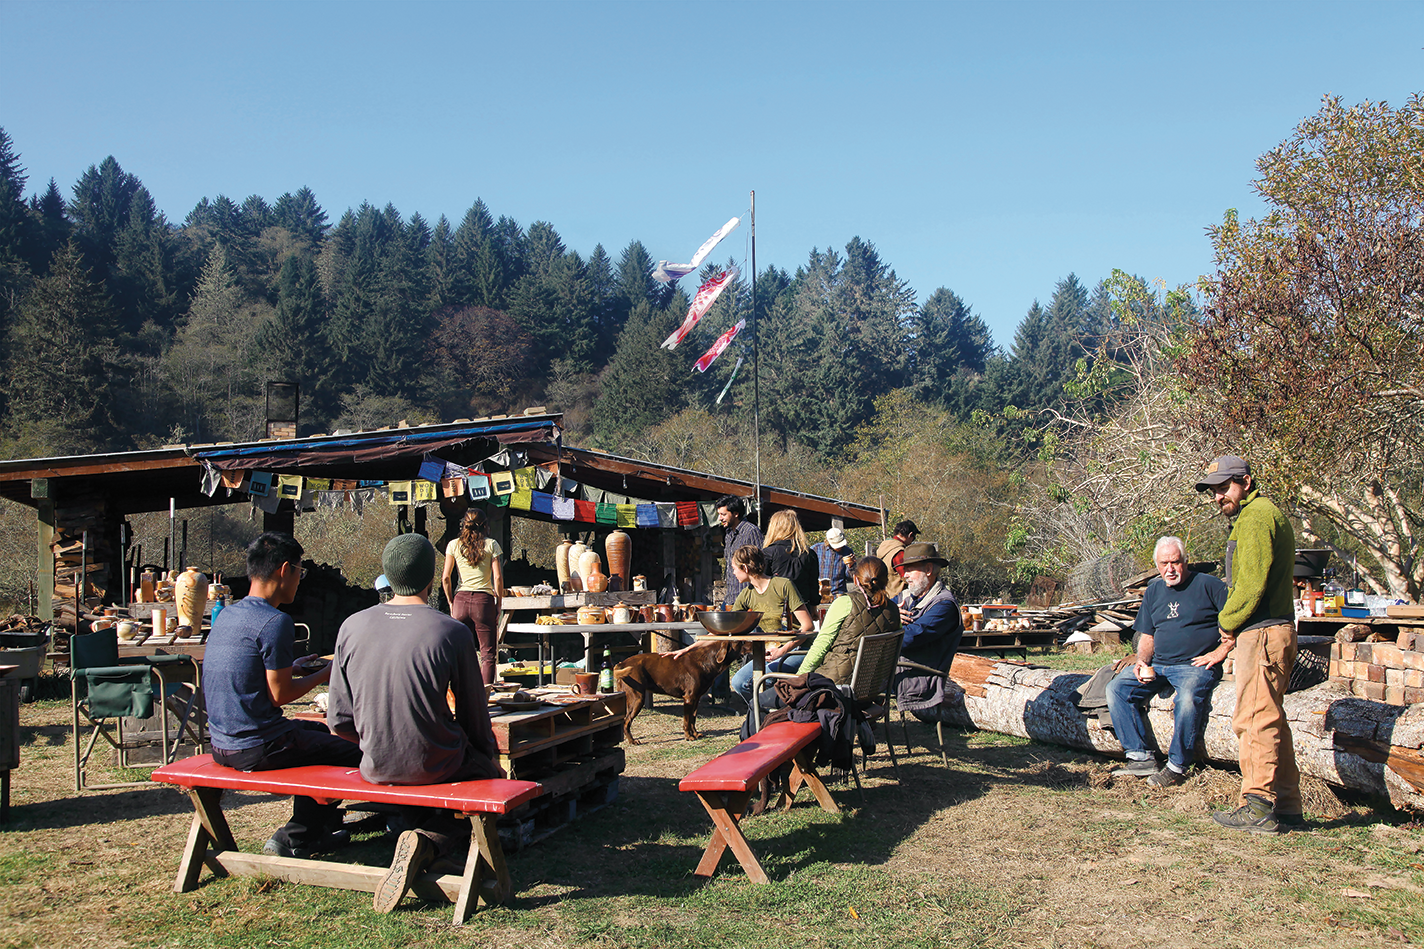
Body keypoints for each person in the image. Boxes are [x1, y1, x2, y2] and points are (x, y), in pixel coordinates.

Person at [327, 533, 503, 913]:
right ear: (431, 578)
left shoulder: (350, 627)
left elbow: (339, 721)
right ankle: (428, 841)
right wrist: (491, 762)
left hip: (374, 765)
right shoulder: (451, 631)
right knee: (494, 786)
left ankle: (416, 840)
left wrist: (378, 741)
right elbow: (475, 718)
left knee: (420, 762)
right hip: (434, 761)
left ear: (387, 577)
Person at [202, 532, 361, 858]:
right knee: (352, 748)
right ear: (284, 570)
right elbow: (279, 694)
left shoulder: (228, 615)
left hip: (221, 742)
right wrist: (327, 673)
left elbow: (248, 669)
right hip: (258, 746)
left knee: (319, 733)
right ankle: (297, 836)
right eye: (300, 573)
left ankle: (318, 828)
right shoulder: (275, 621)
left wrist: (293, 666)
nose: (300, 581)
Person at [1195, 454, 1302, 833]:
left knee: (1254, 719)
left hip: (1263, 632)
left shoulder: (1256, 517)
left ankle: (1257, 805)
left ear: (1247, 481)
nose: (1218, 496)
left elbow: (1251, 584)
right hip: (1269, 630)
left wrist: (1227, 622)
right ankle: (1287, 805)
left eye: (1225, 488)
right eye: (1214, 491)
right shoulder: (1257, 514)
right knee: (1272, 718)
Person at [1106, 536, 1229, 788]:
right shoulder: (1154, 591)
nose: (1170, 569)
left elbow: (1235, 625)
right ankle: (1140, 757)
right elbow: (1148, 634)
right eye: (1164, 563)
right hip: (1159, 664)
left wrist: (1220, 652)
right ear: (1157, 565)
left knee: (1185, 700)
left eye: (1175, 562)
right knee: (1116, 688)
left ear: (1186, 561)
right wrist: (1141, 661)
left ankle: (1177, 766)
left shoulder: (1210, 585)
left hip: (1193, 666)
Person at [722, 545, 815, 703]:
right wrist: (688, 649)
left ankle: (770, 714)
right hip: (769, 654)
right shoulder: (747, 594)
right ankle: (764, 715)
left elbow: (808, 627)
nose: (732, 573)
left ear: (745, 567)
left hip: (798, 650)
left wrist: (783, 651)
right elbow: (728, 625)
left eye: (733, 568)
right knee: (739, 682)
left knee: (757, 682)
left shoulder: (783, 585)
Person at [800, 557, 901, 685]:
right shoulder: (893, 610)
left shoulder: (845, 603)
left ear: (855, 579)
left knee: (769, 695)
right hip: (872, 687)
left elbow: (821, 645)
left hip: (832, 685)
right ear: (886, 580)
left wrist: (800, 677)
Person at [892, 542, 963, 721]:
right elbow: (875, 610)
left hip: (920, 677)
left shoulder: (944, 605)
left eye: (909, 570)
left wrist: (889, 621)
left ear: (929, 569)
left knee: (852, 678)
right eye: (904, 570)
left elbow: (909, 638)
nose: (905, 576)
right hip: (898, 669)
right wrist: (890, 614)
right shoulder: (907, 596)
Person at [440, 508, 504, 685]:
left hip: (460, 600)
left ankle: (460, 696)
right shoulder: (492, 545)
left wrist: (451, 602)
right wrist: (498, 603)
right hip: (483, 602)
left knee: (459, 653)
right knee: (488, 655)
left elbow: (445, 577)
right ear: (485, 525)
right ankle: (484, 700)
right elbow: (497, 577)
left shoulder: (453, 545)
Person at [762, 509, 820, 613]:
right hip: (803, 609)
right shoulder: (808, 553)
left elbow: (762, 584)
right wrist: (814, 608)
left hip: (775, 608)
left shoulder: (767, 553)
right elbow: (813, 585)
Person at [716, 494, 763, 607]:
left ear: (736, 514)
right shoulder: (728, 534)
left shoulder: (751, 531)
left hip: (748, 598)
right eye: (719, 514)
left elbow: (761, 564)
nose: (720, 518)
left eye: (723, 514)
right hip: (730, 596)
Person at [876, 519, 919, 597]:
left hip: (885, 595)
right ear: (910, 535)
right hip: (898, 598)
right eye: (914, 537)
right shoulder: (899, 552)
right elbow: (906, 577)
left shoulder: (885, 547)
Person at [812, 527, 856, 597]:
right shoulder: (815, 549)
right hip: (819, 594)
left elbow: (851, 578)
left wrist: (851, 566)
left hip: (839, 594)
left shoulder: (847, 552)